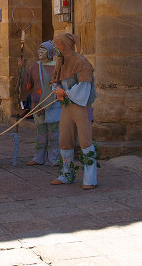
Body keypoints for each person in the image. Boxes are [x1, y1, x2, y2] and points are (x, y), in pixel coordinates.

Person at [50, 33, 98, 190]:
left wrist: (65, 93)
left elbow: (84, 87)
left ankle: (90, 179)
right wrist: (56, 90)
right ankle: (66, 174)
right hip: (66, 107)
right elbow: (55, 82)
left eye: (57, 45)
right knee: (65, 139)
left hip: (80, 107)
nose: (56, 49)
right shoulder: (61, 62)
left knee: (85, 141)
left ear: (62, 46)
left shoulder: (81, 62)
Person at [20, 41, 61, 166]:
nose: (40, 52)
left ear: (50, 52)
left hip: (53, 102)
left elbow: (62, 83)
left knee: (53, 132)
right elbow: (28, 85)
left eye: (43, 50)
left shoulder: (57, 66)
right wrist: (22, 70)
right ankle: (38, 157)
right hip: (37, 102)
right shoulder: (34, 66)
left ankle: (53, 158)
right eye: (39, 49)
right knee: (41, 131)